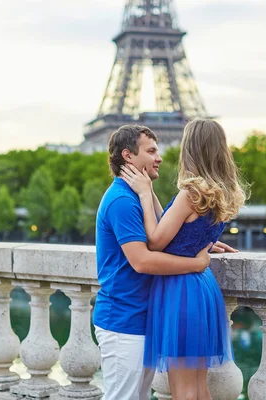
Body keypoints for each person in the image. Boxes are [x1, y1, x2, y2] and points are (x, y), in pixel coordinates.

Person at [93, 125, 236, 400]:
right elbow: (144, 260)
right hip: (126, 318)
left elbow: (165, 231)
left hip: (157, 307)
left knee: (170, 392)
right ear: (128, 156)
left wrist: (195, 243)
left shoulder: (148, 195)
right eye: (151, 151)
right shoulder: (123, 201)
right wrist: (195, 261)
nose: (160, 157)